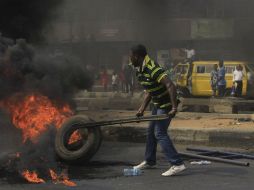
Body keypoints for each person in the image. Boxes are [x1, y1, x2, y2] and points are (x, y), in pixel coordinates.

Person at [130, 44, 185, 177]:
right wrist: (141, 109)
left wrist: (173, 107)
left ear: (137, 56)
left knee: (159, 132)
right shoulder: (140, 70)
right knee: (150, 132)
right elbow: (150, 91)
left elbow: (170, 85)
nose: (130, 58)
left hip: (166, 104)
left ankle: (177, 164)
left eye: (131, 55)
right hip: (157, 103)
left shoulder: (152, 68)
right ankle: (150, 161)